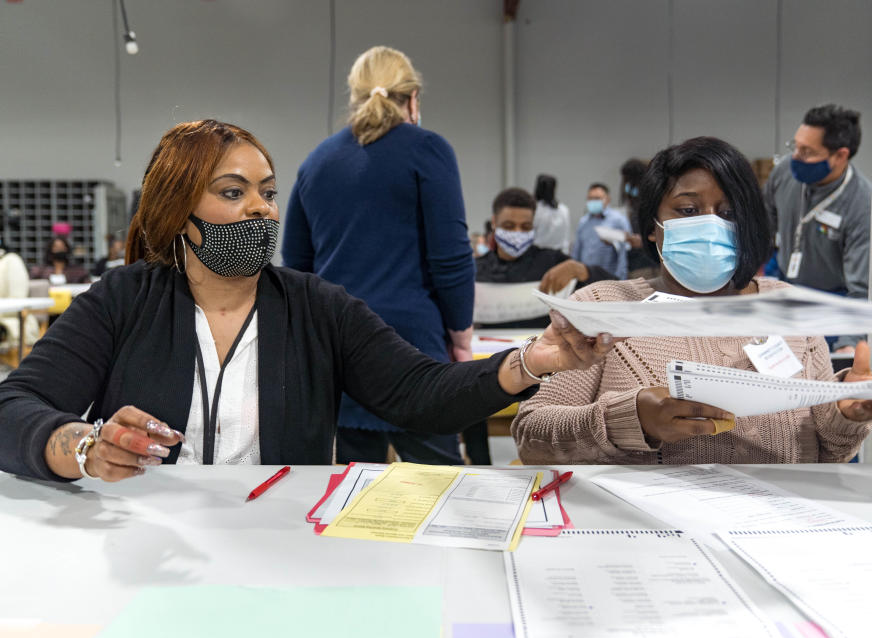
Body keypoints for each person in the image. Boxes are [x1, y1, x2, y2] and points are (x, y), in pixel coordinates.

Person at [0, 119, 616, 483]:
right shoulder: (123, 300)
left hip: (281, 545)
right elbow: (14, 405)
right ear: (176, 212)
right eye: (232, 191)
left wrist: (530, 360)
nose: (262, 208)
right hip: (143, 544)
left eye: (267, 192)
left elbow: (421, 395)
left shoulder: (317, 307)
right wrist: (81, 447)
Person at [512, 136, 872, 466]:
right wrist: (631, 420)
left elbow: (828, 455)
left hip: (775, 532)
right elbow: (532, 438)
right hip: (655, 540)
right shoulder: (602, 308)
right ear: (653, 227)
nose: (710, 224)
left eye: (728, 212)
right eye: (688, 210)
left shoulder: (787, 307)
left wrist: (843, 414)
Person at [282, 46, 478, 466]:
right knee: (441, 487)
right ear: (412, 100)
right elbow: (452, 257)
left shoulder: (315, 162)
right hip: (415, 347)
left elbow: (296, 265)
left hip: (339, 346)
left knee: (354, 490)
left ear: (355, 98)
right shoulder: (429, 150)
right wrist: (461, 337)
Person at [764, 104, 871, 354]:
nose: (796, 157)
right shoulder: (784, 174)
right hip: (780, 285)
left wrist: (849, 344)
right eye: (796, 146)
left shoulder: (861, 204)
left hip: (828, 307)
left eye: (808, 151)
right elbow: (761, 227)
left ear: (840, 156)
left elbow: (860, 290)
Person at [475, 187, 615, 329]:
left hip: (542, 346)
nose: (517, 232)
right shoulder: (476, 270)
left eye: (525, 226)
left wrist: (583, 271)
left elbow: (616, 289)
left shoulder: (552, 261)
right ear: (494, 222)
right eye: (509, 226)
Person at [571, 183, 631, 279]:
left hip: (609, 277)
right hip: (586, 277)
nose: (593, 201)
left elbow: (625, 253)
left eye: (597, 198)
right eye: (590, 198)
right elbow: (576, 251)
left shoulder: (618, 220)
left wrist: (620, 279)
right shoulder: (583, 222)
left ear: (607, 199)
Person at [618, 158, 660, 280]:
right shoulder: (634, 209)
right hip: (634, 265)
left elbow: (656, 236)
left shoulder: (648, 207)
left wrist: (641, 242)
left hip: (648, 268)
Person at [531, 174, 570, 252]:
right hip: (559, 253)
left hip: (538, 253)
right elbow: (566, 237)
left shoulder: (535, 209)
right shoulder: (563, 209)